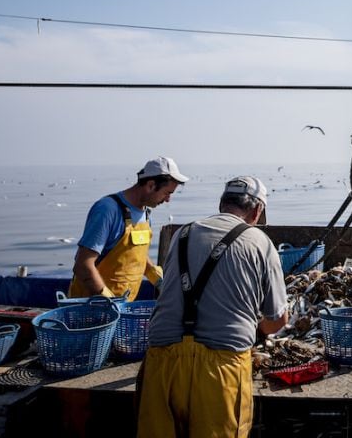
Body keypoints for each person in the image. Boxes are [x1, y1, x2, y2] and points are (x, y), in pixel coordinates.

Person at [137, 176, 288, 438]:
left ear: (221, 203)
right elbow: (278, 319)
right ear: (257, 211)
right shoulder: (260, 242)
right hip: (221, 369)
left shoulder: (180, 235)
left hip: (162, 362)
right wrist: (258, 329)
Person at [67, 156, 186, 301]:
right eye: (167, 193)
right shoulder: (108, 210)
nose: (168, 200)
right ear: (150, 185)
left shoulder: (145, 214)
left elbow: (134, 255)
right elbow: (83, 265)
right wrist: (108, 300)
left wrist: (157, 279)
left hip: (123, 308)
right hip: (90, 310)